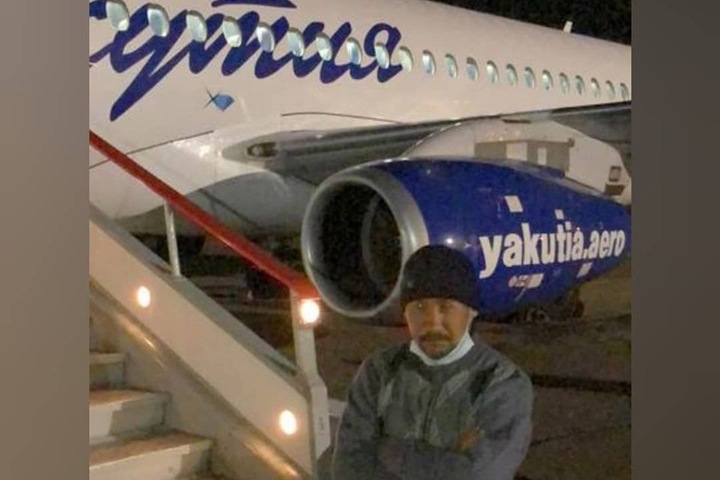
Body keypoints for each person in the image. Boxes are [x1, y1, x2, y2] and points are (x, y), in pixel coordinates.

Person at [331, 245, 533, 480]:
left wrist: (388, 450)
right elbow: (347, 468)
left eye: (446, 306)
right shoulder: (379, 370)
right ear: (404, 313)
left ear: (471, 311)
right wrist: (450, 460)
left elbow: (482, 475)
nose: (432, 322)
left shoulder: (502, 382)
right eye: (419, 307)